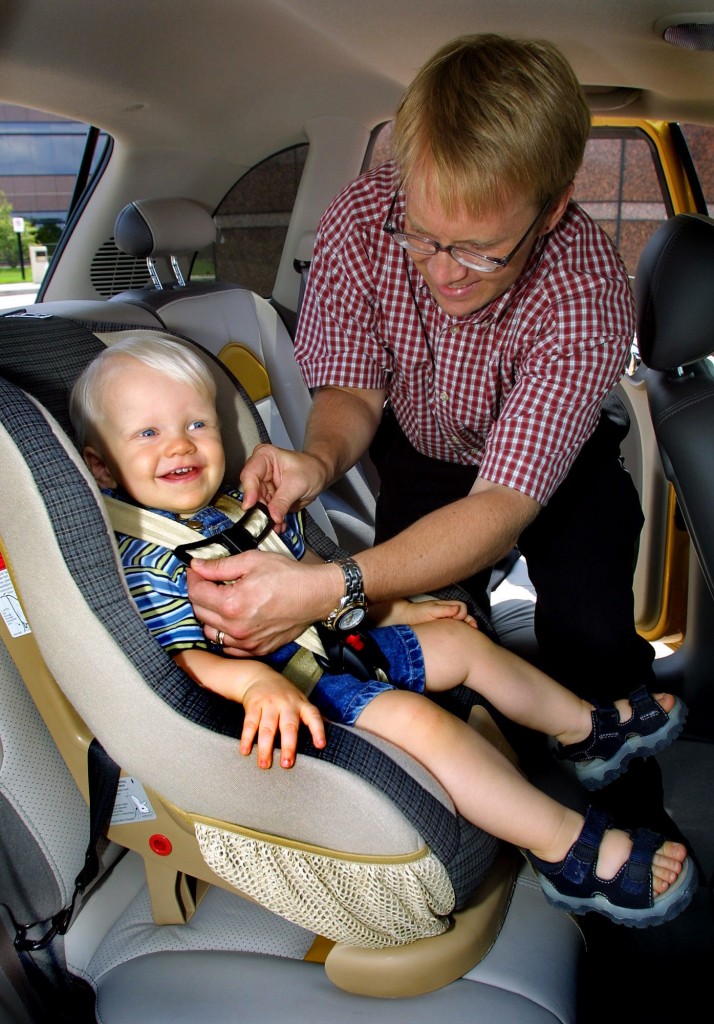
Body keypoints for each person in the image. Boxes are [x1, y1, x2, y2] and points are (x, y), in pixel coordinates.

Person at [187, 33, 676, 832]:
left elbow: (501, 507)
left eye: (480, 251)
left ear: (552, 210)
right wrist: (317, 458)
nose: (443, 271)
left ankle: (634, 810)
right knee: (426, 627)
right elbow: (352, 388)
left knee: (591, 637)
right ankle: (473, 811)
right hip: (421, 450)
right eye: (424, 235)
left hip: (551, 472)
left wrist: (334, 583)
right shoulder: (360, 217)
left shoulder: (587, 288)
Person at [68, 335, 697, 928]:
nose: (179, 446)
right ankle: (568, 853)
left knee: (464, 643)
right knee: (422, 723)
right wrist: (256, 684)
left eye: (195, 424)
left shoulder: (239, 509)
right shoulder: (151, 560)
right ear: (101, 464)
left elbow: (312, 584)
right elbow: (181, 658)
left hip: (334, 648)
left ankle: (583, 730)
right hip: (298, 693)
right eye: (148, 433)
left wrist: (397, 612)